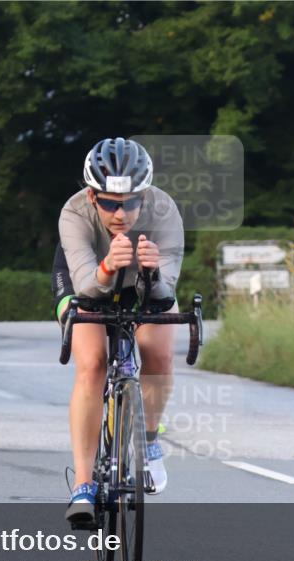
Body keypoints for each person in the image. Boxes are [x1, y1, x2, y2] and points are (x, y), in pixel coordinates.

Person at [56, 137, 184, 524]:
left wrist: (152, 272)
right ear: (92, 195)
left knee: (156, 348)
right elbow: (85, 288)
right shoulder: (74, 212)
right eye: (110, 203)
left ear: (144, 195)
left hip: (144, 284)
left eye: (131, 202)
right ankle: (83, 486)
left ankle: (147, 439)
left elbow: (164, 296)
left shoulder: (164, 211)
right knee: (92, 363)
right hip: (88, 276)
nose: (121, 213)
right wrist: (109, 267)